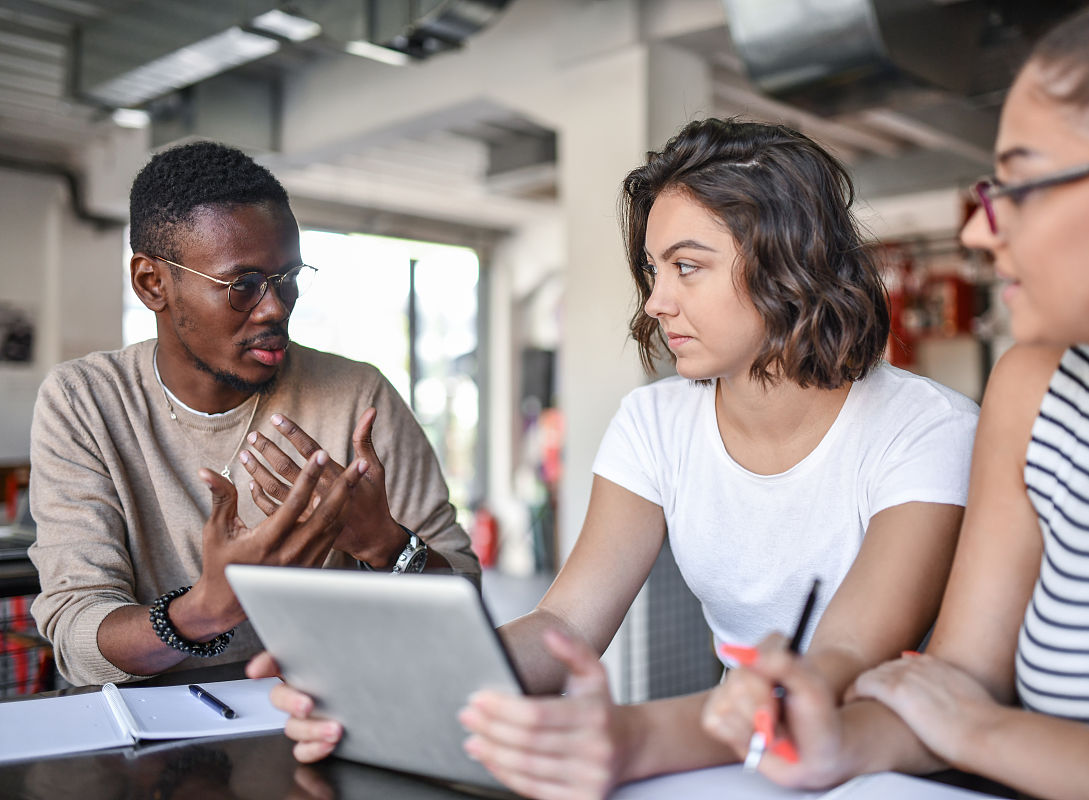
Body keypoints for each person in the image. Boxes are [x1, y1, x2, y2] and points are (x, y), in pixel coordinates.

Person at [253, 117, 979, 798]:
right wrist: (394, 679)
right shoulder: (654, 422)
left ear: (790, 263)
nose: (657, 301)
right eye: (652, 268)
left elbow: (841, 657)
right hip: (732, 761)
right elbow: (563, 624)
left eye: (687, 267)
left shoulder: (925, 429)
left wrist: (634, 734)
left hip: (886, 764)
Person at [701, 2, 1089, 798]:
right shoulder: (1036, 392)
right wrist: (835, 740)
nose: (977, 232)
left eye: (1022, 185)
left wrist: (984, 733)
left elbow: (966, 714)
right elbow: (958, 677)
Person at [28, 141, 480, 687]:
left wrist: (385, 543)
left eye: (287, 276)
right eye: (241, 285)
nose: (275, 307)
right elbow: (78, 635)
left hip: (324, 715)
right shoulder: (85, 401)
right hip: (148, 733)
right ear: (153, 283)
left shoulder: (357, 396)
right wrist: (204, 611)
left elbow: (465, 598)